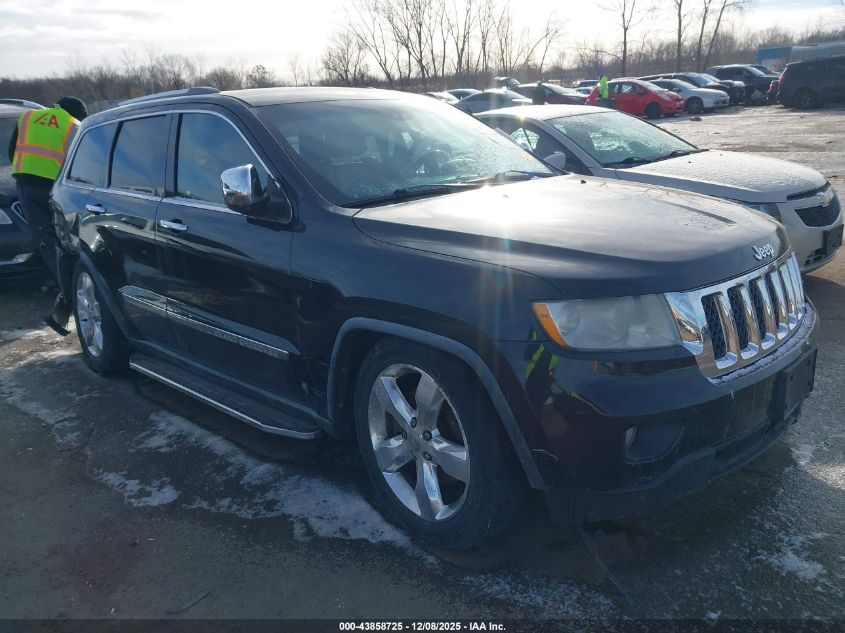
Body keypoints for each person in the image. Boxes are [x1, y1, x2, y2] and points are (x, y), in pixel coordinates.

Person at [8, 96, 87, 335]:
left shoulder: (27, 116)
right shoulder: (73, 124)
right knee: (66, 240)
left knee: (48, 241)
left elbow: (13, 150)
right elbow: (80, 160)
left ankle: (69, 294)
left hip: (26, 185)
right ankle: (72, 295)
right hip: (57, 187)